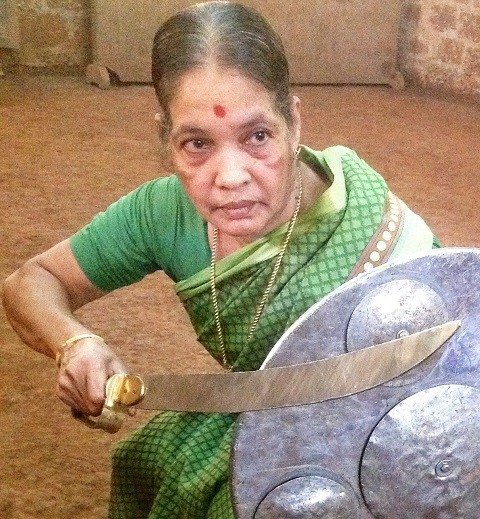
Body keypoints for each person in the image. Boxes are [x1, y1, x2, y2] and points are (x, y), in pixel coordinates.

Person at [1, 2, 438, 517]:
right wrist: (74, 344)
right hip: (263, 408)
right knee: (150, 461)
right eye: (197, 144)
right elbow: (32, 281)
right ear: (165, 137)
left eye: (258, 136)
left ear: (294, 123)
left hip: (394, 440)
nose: (230, 177)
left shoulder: (376, 231)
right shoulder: (163, 213)